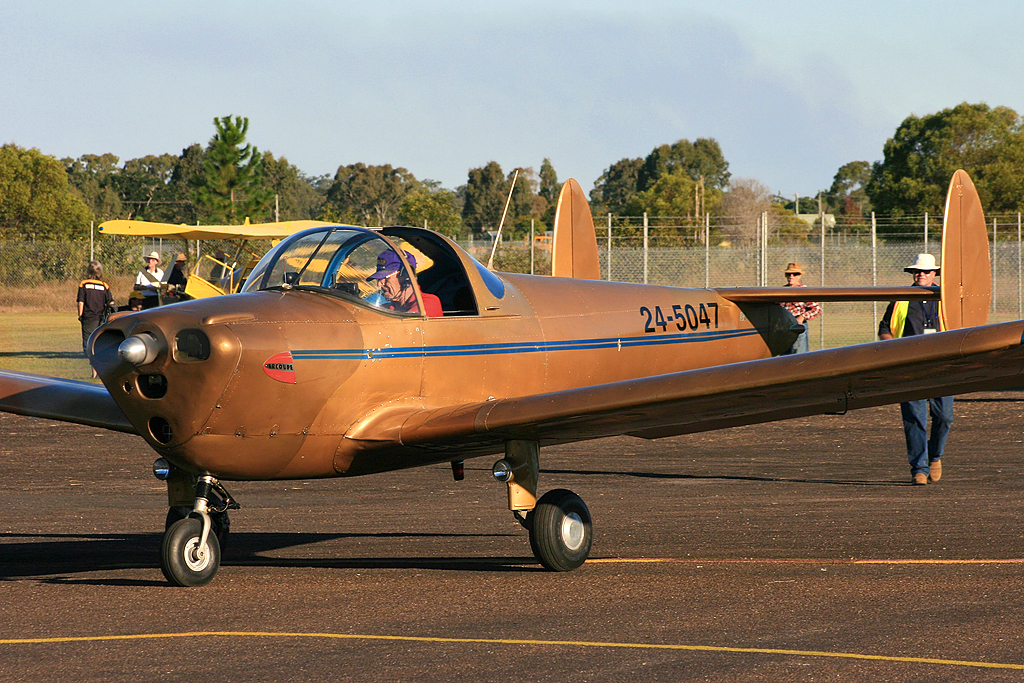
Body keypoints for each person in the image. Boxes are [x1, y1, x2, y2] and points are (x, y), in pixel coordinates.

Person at [878, 253, 952, 486]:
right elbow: (885, 327)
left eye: (925, 271)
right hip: (911, 367)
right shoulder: (900, 299)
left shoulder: (947, 298)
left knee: (944, 416)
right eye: (917, 271)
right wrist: (893, 349)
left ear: (934, 274)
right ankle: (919, 469)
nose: (920, 274)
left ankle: (935, 456)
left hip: (943, 365)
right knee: (914, 418)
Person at [366, 250, 443, 317]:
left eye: (385, 278)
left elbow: (405, 327)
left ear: (406, 276)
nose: (379, 284)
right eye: (378, 279)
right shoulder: (386, 308)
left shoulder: (429, 303)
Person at [77, 260, 112, 378]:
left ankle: (94, 372)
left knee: (88, 345)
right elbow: (111, 302)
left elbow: (81, 301)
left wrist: (80, 315)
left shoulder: (84, 284)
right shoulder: (104, 285)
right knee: (100, 343)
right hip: (102, 318)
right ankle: (102, 369)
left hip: (88, 318)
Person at [781, 263, 821, 354]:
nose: (791, 276)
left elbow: (816, 309)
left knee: (799, 357)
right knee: (784, 358)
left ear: (799, 276)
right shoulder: (781, 290)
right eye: (788, 274)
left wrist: (802, 317)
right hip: (784, 329)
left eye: (794, 274)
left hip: (798, 328)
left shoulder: (804, 291)